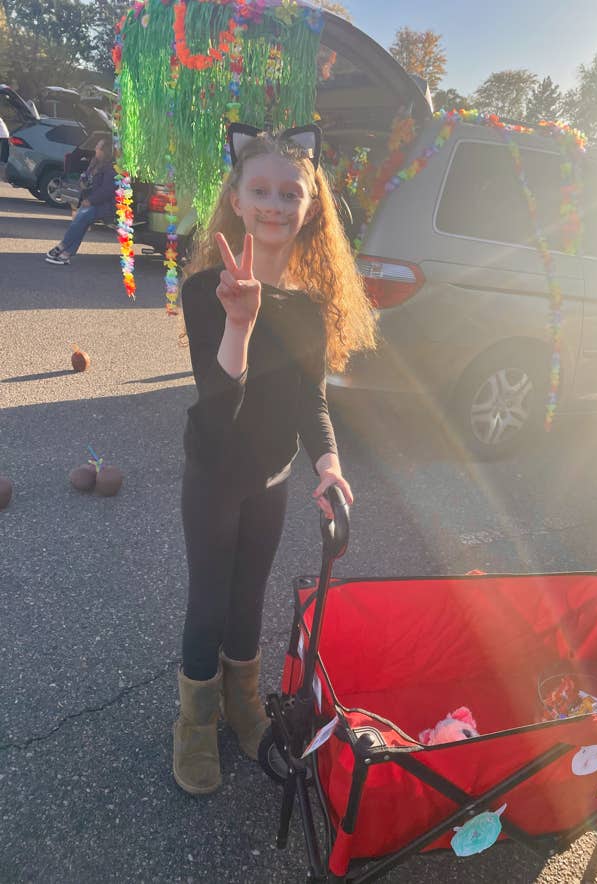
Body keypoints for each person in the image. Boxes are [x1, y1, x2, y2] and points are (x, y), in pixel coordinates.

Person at [172, 124, 377, 795]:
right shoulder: (208, 290)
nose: (274, 203)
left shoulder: (308, 309)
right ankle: (195, 723)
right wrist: (239, 323)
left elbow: (310, 404)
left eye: (290, 192)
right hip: (214, 474)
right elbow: (217, 403)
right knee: (209, 602)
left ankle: (243, 701)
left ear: (312, 207)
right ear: (235, 198)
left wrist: (329, 465)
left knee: (250, 601)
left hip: (272, 479)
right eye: (259, 188)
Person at [45, 137, 115, 265]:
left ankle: (62, 246)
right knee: (80, 223)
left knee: (79, 221)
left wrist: (90, 201)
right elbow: (86, 177)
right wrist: (82, 182)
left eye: (98, 147)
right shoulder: (94, 163)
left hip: (102, 205)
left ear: (104, 151)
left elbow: (107, 190)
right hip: (89, 201)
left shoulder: (110, 169)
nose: (95, 149)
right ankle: (66, 254)